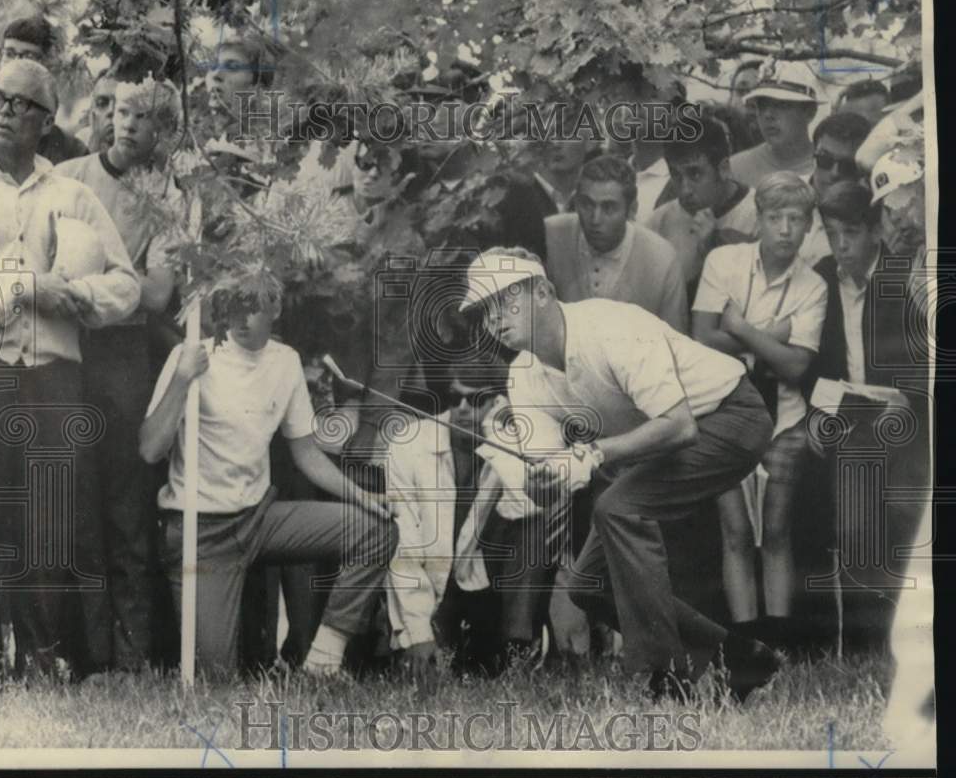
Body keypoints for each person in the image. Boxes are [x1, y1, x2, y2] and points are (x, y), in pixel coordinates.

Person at [462, 248, 781, 699]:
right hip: (655, 446)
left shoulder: (610, 328)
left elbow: (678, 425)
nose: (493, 318)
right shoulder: (523, 378)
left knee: (617, 507)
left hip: (732, 416)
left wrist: (591, 454)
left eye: (503, 300)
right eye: (483, 309)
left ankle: (667, 680)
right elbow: (555, 484)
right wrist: (542, 481)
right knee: (590, 586)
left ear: (542, 291)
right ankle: (741, 657)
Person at [0, 58, 140, 681]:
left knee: (54, 520)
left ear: (45, 120)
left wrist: (81, 299)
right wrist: (28, 287)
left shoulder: (73, 195)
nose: (3, 110)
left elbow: (128, 287)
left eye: (19, 103)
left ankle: (54, 660)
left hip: (57, 377)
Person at [138, 287, 398, 675]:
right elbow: (150, 449)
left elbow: (307, 454)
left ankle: (323, 661)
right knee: (215, 683)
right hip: (201, 533)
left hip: (259, 520)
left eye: (252, 306)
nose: (240, 319)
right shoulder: (189, 356)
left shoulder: (285, 361)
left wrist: (362, 496)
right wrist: (181, 378)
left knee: (376, 530)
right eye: (231, 307)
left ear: (275, 307)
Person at [55, 78, 185, 672]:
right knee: (76, 503)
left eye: (143, 117)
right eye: (121, 111)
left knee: (129, 503)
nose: (127, 125)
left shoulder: (167, 197)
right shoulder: (73, 178)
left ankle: (133, 660)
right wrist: (116, 278)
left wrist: (106, 286)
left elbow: (158, 295)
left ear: (162, 131)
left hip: (126, 355)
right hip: (67, 349)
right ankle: (86, 657)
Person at [691, 172, 828, 650]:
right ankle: (746, 642)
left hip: (784, 417)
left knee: (776, 528)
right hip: (724, 410)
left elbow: (795, 366)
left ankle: (779, 642)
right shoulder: (723, 262)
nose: (785, 229)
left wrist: (744, 330)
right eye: (775, 218)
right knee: (734, 528)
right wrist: (777, 331)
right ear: (759, 221)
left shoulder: (812, 285)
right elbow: (702, 338)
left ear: (810, 226)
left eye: (796, 219)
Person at [806, 181, 930, 653]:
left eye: (851, 233)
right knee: (854, 524)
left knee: (903, 512)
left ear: (876, 231)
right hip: (854, 421)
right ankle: (863, 647)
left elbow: (932, 361)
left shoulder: (905, 278)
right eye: (832, 233)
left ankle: (909, 645)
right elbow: (814, 363)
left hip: (911, 423)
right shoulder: (822, 278)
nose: (841, 246)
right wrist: (818, 413)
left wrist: (907, 403)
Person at [385, 367, 556, 674]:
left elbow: (526, 507)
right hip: (434, 594)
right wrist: (419, 632)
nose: (462, 409)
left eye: (475, 399)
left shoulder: (512, 440)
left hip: (487, 593)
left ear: (496, 402)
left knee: (532, 524)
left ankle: (518, 649)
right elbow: (405, 541)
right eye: (454, 398)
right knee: (436, 665)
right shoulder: (409, 444)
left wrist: (494, 437)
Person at [544, 154, 688, 332]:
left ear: (632, 210)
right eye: (587, 204)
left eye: (609, 208)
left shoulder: (661, 260)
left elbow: (676, 345)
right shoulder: (552, 236)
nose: (595, 219)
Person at [649, 116, 758, 299]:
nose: (685, 190)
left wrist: (713, 250)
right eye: (676, 176)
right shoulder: (659, 221)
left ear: (723, 169)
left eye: (695, 174)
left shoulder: (760, 215)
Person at [0, 15, 89, 168]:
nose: (16, 62)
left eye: (28, 56)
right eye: (9, 53)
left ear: (48, 65)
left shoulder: (70, 150)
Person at [729, 61, 823, 188]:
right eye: (762, 105)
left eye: (781, 105)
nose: (768, 115)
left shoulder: (829, 167)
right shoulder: (736, 169)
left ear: (809, 112)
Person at [798, 112, 873, 266]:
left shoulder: (874, 211)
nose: (835, 173)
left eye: (847, 166)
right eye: (825, 160)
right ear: (813, 154)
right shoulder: (782, 194)